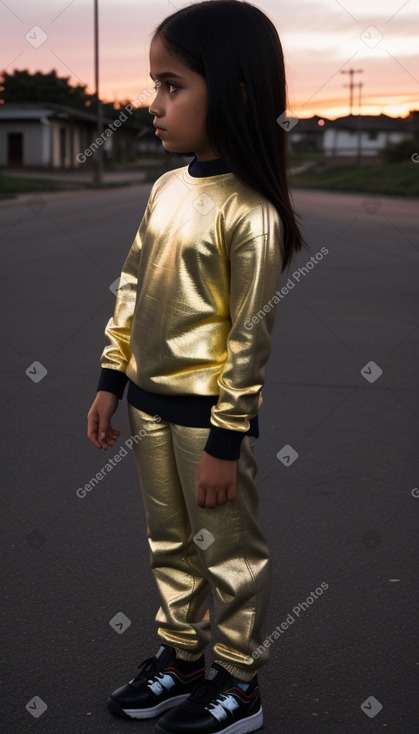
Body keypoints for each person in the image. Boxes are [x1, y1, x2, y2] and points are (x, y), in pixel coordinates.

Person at [87, 1, 308, 732]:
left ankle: (239, 682)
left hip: (205, 422)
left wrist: (223, 442)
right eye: (154, 85)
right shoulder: (165, 188)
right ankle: (182, 658)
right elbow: (130, 285)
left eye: (172, 85)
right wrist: (110, 379)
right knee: (169, 543)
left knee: (227, 552)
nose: (152, 105)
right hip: (148, 405)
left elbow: (249, 342)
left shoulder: (250, 212)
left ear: (236, 91)